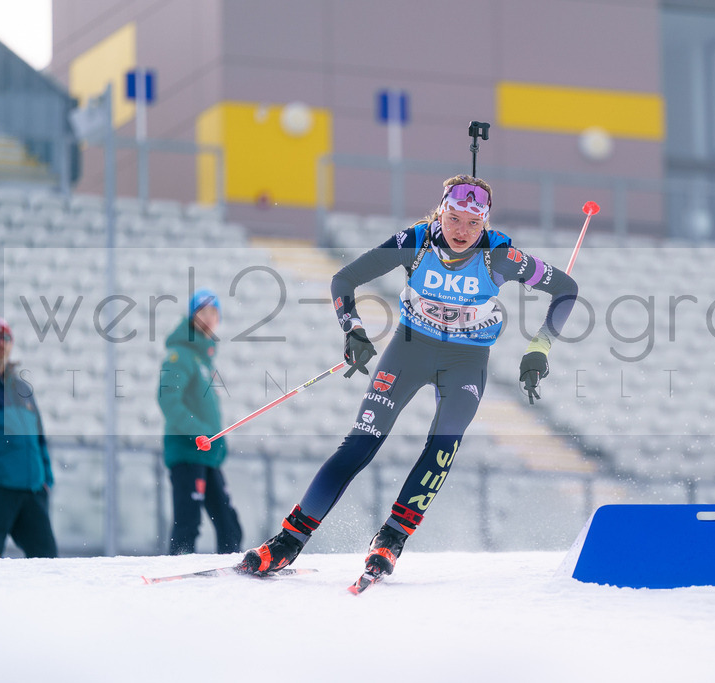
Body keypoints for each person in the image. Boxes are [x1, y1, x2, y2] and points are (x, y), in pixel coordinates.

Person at [237, 174, 579, 580]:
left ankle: (391, 539)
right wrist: (353, 329)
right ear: (441, 212)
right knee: (360, 442)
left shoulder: (501, 256)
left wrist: (540, 347)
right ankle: (287, 542)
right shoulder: (414, 242)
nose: (462, 232)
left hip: (466, 360)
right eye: (454, 219)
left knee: (442, 447)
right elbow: (343, 280)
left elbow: (566, 289)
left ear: (484, 223)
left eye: (473, 223)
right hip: (409, 349)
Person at [157, 290, 242, 555]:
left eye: (213, 312)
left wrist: (216, 441)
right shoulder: (180, 355)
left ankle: (232, 574)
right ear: (191, 317)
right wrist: (198, 433)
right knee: (188, 523)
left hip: (206, 454)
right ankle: (176, 575)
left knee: (230, 526)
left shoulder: (203, 359)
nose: (208, 318)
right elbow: (168, 400)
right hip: (188, 452)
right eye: (202, 312)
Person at [0, 314, 58, 558]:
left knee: (47, 559)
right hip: (0, 488)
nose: (0, 343)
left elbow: (38, 437)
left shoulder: (22, 388)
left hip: (31, 489)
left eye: (5, 337)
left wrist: (46, 480)